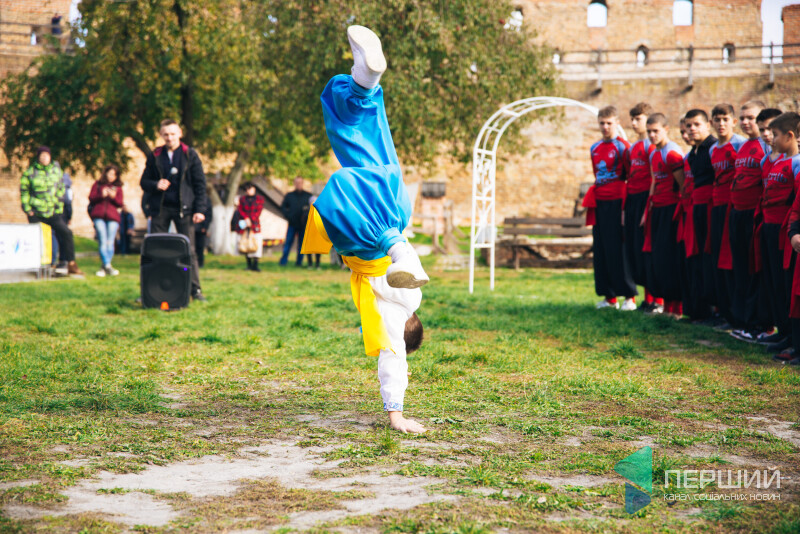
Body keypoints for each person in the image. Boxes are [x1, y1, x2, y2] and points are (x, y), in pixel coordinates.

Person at [301, 25, 428, 433]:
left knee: (369, 146)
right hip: (359, 227)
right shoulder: (391, 314)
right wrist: (396, 414)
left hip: (391, 202)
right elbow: (393, 360)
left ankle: (364, 85)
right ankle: (398, 251)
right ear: (406, 332)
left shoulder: (413, 300)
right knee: (353, 156)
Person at [140, 119, 209, 301]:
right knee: (155, 249)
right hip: (160, 209)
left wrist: (200, 210)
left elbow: (200, 184)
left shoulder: (190, 155)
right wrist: (156, 184)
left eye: (172, 134)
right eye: (166, 135)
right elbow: (144, 182)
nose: (169, 138)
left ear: (179, 134)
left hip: (184, 210)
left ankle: (195, 290)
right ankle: (151, 289)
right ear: (161, 135)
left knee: (189, 250)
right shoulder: (155, 155)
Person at [583, 106, 635, 310]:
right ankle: (609, 297)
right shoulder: (594, 148)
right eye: (602, 123)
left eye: (609, 123)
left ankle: (629, 297)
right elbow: (597, 174)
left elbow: (629, 176)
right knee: (602, 249)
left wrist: (624, 209)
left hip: (617, 201)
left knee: (619, 249)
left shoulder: (623, 147)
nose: (605, 127)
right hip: (599, 202)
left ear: (617, 123)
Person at [759, 112, 800, 359]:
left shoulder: (796, 163)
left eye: (774, 135)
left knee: (788, 286)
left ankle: (793, 338)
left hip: (786, 234)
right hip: (769, 227)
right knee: (775, 283)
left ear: (789, 136)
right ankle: (784, 331)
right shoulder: (777, 161)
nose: (771, 139)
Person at [728, 101, 770, 341]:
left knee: (756, 270)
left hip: (756, 215)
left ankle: (760, 324)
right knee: (742, 269)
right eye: (742, 118)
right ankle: (744, 320)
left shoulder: (766, 146)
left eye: (750, 118)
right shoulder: (743, 146)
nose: (745, 122)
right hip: (738, 213)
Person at [641, 113, 685, 317]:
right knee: (659, 259)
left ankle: (677, 309)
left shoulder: (672, 153)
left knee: (671, 259)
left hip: (671, 211)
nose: (652, 135)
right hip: (657, 210)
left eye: (656, 131)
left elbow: (683, 186)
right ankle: (666, 306)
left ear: (666, 129)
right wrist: (648, 210)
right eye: (649, 131)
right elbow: (654, 182)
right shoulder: (653, 154)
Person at [708, 104, 746, 328]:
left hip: (735, 208)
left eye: (725, 119)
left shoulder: (740, 145)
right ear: (712, 122)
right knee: (718, 260)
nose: (721, 124)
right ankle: (726, 314)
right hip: (718, 207)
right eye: (717, 119)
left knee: (734, 260)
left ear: (733, 121)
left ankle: (740, 316)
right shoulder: (713, 149)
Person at [20, 146, 83, 276]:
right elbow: (24, 191)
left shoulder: (56, 171)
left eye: (46, 155)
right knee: (40, 239)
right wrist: (28, 209)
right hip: (36, 212)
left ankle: (71, 263)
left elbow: (61, 189)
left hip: (53, 212)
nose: (44, 158)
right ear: (38, 157)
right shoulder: (30, 173)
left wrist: (58, 207)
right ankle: (40, 266)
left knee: (66, 233)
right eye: (42, 155)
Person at [623, 103, 659, 312]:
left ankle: (656, 300)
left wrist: (648, 206)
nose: (634, 123)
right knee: (637, 250)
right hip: (633, 200)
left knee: (648, 250)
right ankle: (646, 298)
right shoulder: (632, 148)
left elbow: (654, 178)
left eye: (639, 119)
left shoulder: (650, 147)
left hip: (647, 199)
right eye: (632, 119)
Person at [686, 109, 717, 322]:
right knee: (699, 258)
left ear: (707, 125)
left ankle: (717, 310)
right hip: (697, 207)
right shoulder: (692, 153)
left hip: (712, 207)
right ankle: (702, 309)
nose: (692, 129)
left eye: (696, 124)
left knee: (712, 256)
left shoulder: (714, 148)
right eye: (689, 125)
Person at [88, 164, 124, 276]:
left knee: (110, 241)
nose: (111, 176)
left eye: (114, 175)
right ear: (106, 173)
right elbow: (91, 198)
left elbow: (120, 203)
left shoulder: (118, 188)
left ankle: (105, 267)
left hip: (112, 217)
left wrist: (113, 197)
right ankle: (108, 265)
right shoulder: (98, 185)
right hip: (99, 216)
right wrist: (101, 195)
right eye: (110, 173)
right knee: (103, 240)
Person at [280, 177, 312, 266]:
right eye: (297, 182)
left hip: (303, 225)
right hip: (292, 224)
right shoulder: (289, 196)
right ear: (294, 183)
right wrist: (288, 216)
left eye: (300, 182)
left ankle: (299, 262)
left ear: (302, 183)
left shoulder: (308, 196)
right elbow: (283, 207)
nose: (298, 184)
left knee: (302, 244)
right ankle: (283, 261)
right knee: (288, 243)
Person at [236, 182, 265, 272]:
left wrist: (251, 220)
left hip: (255, 224)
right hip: (245, 224)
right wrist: (246, 218)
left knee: (256, 243)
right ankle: (248, 264)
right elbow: (240, 210)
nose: (249, 191)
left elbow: (258, 211)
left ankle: (255, 264)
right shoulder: (242, 199)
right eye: (247, 189)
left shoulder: (259, 199)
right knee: (246, 243)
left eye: (250, 189)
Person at [194, 201, 213, 268]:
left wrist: (205, 227)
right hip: (192, 227)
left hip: (200, 228)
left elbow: (208, 215)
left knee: (200, 246)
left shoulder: (206, 201)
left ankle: (200, 263)